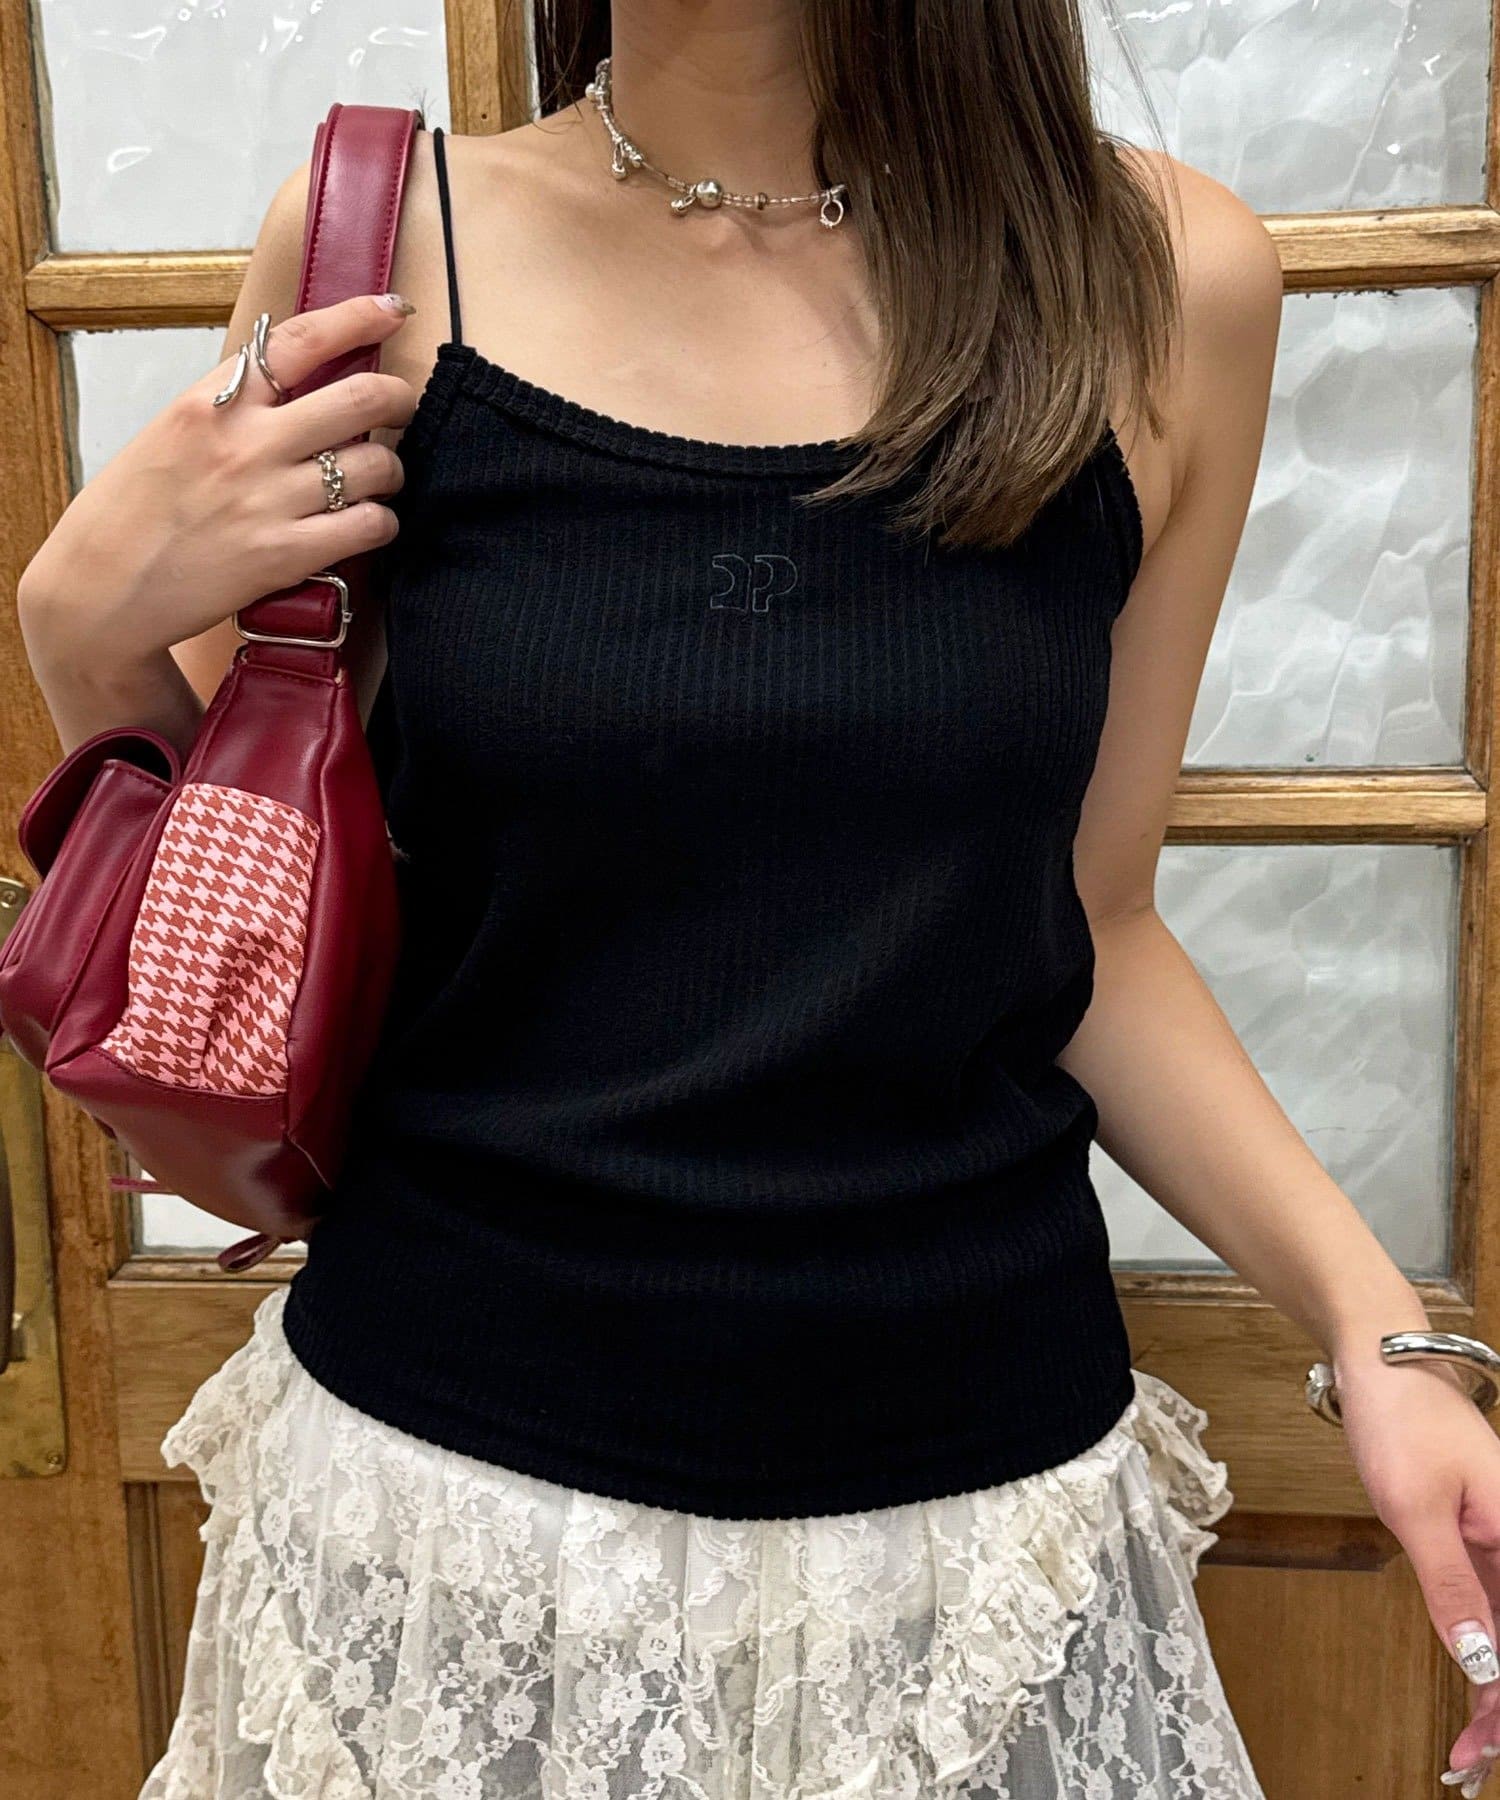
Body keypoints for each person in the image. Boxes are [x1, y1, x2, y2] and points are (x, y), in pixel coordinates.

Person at [18, 5, 1500, 1796]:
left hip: (971, 1551)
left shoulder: (1167, 279)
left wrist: (1379, 1334)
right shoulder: (376, 247)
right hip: (443, 1526)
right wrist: (81, 641)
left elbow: (1090, 924)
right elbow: (234, 898)